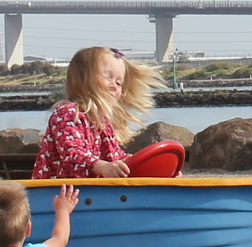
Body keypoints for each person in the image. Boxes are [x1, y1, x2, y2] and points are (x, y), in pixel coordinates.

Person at [31, 45, 161, 179]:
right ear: (84, 78)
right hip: (57, 191)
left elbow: (115, 155)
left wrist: (152, 168)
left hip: (88, 192)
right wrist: (102, 167)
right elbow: (72, 154)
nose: (114, 85)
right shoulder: (68, 113)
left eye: (119, 82)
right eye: (108, 77)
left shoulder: (102, 121)